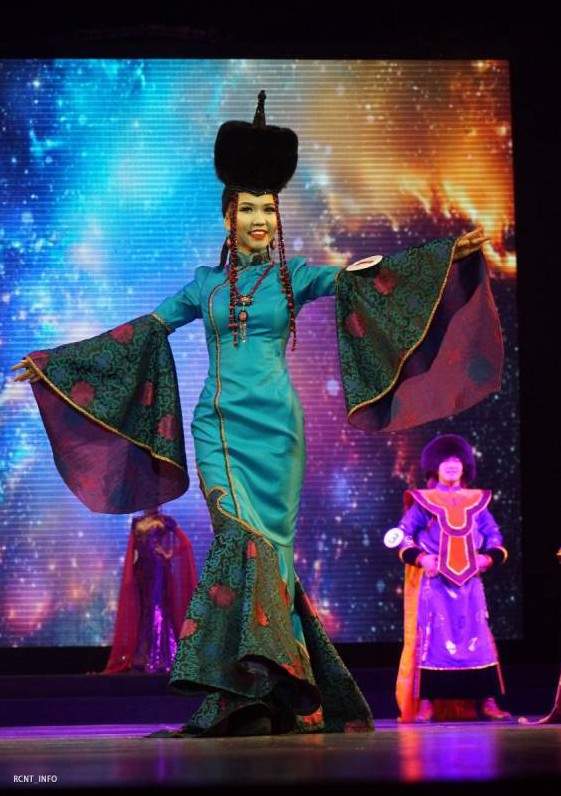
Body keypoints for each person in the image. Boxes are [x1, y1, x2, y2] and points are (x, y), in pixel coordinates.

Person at [12, 91, 503, 736]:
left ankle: (278, 698)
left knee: (274, 558)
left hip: (279, 436)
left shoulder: (296, 276)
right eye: (248, 208)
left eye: (268, 208)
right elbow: (141, 332)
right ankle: (237, 692)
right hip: (219, 430)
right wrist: (58, 365)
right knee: (240, 544)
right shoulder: (204, 285)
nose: (260, 219)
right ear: (228, 217)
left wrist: (447, 256)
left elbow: (368, 276)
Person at [392, 434, 511, 722]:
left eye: (457, 459)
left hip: (470, 583)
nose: (451, 464)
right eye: (445, 460)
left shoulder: (477, 502)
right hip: (435, 584)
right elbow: (403, 535)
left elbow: (495, 536)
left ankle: (488, 701)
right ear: (434, 466)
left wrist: (488, 557)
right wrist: (421, 558)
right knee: (432, 639)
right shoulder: (425, 501)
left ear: (465, 466)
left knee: (478, 638)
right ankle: (426, 704)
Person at [101, 505, 197, 675]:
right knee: (145, 611)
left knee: (157, 608)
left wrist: (168, 553)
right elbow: (132, 550)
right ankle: (142, 657)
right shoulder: (136, 522)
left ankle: (161, 658)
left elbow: (185, 543)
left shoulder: (164, 521)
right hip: (141, 570)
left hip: (158, 568)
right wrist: (131, 572)